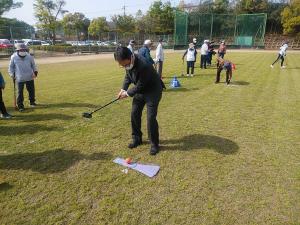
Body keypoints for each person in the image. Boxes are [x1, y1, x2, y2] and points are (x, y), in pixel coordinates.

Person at [114, 47, 163, 155]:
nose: (122, 65)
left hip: (152, 91)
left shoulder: (144, 64)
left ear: (129, 57)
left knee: (150, 118)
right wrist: (123, 89)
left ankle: (154, 144)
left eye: (123, 63)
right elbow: (128, 76)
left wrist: (127, 94)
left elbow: (140, 85)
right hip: (140, 92)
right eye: (120, 63)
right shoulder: (128, 63)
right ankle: (137, 138)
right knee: (134, 113)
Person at [8, 43, 38, 112]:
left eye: (24, 49)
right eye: (21, 50)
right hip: (19, 78)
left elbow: (33, 65)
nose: (23, 51)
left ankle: (32, 102)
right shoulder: (14, 57)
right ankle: (20, 106)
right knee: (20, 92)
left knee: (31, 90)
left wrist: (35, 72)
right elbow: (11, 67)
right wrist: (12, 75)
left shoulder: (29, 56)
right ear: (18, 50)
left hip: (29, 76)